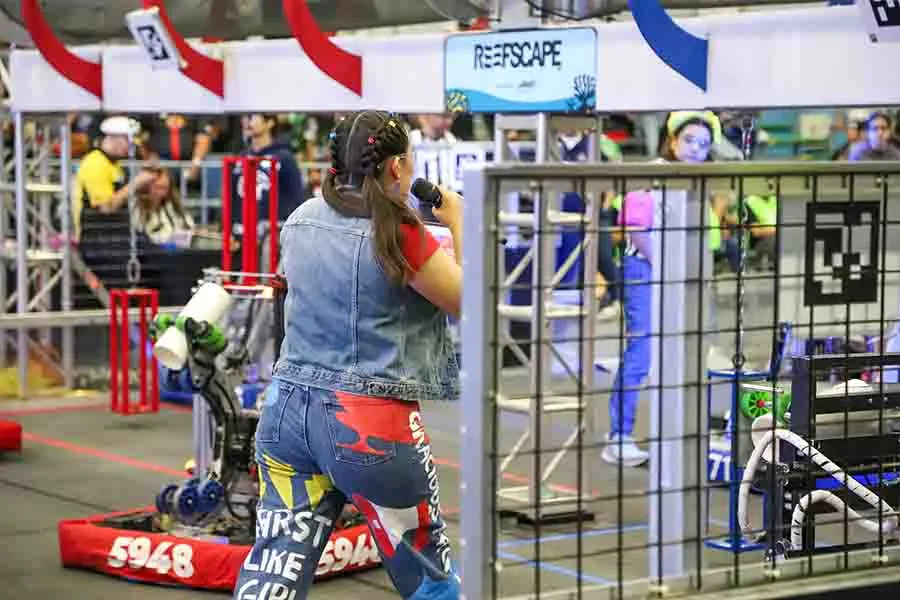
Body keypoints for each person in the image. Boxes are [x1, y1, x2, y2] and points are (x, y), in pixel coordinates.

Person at [233, 111, 463, 600]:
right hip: (371, 425)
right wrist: (462, 221)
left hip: (285, 415)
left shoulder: (300, 220)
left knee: (273, 571)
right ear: (398, 168)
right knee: (428, 576)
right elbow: (473, 303)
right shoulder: (399, 233)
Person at [72, 116, 156, 240]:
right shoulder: (96, 163)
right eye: (128, 143)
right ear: (114, 138)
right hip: (99, 240)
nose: (130, 149)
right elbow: (106, 208)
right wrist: (136, 183)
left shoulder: (113, 164)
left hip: (117, 235)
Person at [236, 113, 306, 222]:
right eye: (245, 117)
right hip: (243, 228)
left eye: (252, 116)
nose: (247, 121)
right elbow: (231, 196)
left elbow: (296, 196)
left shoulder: (284, 157)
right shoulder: (241, 157)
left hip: (273, 229)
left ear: (270, 123)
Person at [131, 168, 194, 246]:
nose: (161, 194)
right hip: (153, 251)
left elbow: (189, 225)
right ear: (146, 187)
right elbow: (143, 237)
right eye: (158, 188)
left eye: (165, 188)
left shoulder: (173, 204)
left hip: (181, 250)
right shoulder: (138, 209)